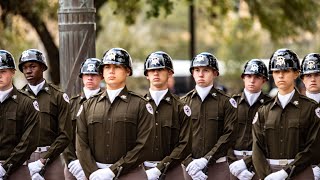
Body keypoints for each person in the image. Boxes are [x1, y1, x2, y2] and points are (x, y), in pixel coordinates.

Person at [76, 47, 153, 179]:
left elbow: (144, 146)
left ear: (127, 71)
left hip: (130, 174)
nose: (111, 71)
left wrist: (112, 171)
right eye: (107, 67)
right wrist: (93, 173)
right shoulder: (88, 105)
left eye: (117, 67)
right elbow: (81, 143)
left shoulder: (141, 105)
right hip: (96, 175)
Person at [252, 48, 320, 179]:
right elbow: (257, 149)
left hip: (301, 172)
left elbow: (313, 147)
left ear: (296, 73)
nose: (281, 76)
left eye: (286, 71)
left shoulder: (310, 108)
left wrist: (285, 172)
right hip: (269, 174)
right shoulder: (263, 110)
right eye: (276, 71)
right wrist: (266, 176)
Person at [181, 52, 237, 180]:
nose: (200, 74)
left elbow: (229, 135)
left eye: (206, 70)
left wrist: (206, 159)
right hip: (190, 169)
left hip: (218, 168)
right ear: (192, 73)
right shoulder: (182, 103)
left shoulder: (226, 102)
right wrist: (189, 162)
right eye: (197, 70)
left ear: (215, 73)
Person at [18, 49, 72, 180]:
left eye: (32, 66)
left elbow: (65, 135)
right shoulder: (18, 98)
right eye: (24, 67)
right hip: (24, 160)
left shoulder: (58, 96)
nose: (28, 71)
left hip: (51, 159)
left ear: (42, 67)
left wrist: (43, 160)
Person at [143, 51, 192, 180]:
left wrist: (160, 168)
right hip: (142, 171)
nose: (156, 73)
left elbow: (185, 145)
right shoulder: (137, 106)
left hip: (172, 171)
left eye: (160, 69)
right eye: (151, 70)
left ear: (170, 73)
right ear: (147, 75)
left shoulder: (181, 108)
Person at [0, 50, 40, 180]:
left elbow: (29, 141)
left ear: (12, 72)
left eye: (3, 71)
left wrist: (5, 167)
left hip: (17, 169)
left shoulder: (27, 103)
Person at [228, 59, 270, 180]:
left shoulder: (270, 105)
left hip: (259, 162)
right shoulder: (232, 103)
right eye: (248, 76)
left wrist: (248, 163)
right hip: (233, 163)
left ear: (264, 80)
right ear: (243, 78)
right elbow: (224, 135)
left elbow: (270, 140)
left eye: (257, 77)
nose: (252, 80)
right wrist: (232, 162)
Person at [63, 58, 103, 180]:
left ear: (101, 76)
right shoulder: (71, 104)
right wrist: (71, 161)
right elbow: (64, 135)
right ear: (81, 76)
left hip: (99, 164)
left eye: (93, 74)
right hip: (74, 165)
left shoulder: (108, 103)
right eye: (86, 74)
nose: (89, 78)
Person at [300, 53, 320, 180]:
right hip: (300, 170)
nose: (313, 79)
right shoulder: (293, 106)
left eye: (317, 74)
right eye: (308, 75)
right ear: (302, 79)